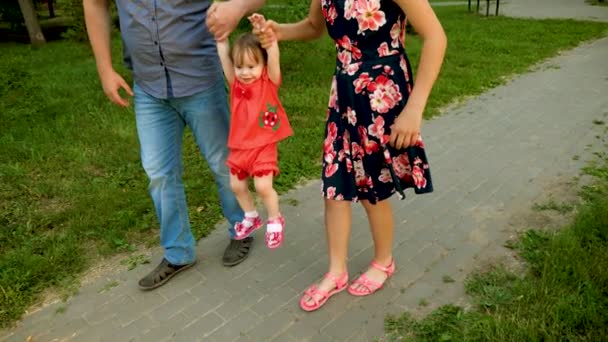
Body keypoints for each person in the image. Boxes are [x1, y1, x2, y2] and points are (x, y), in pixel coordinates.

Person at [254, 0, 446, 311]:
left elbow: (436, 36)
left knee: (373, 186)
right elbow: (315, 26)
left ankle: (384, 261)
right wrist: (280, 32)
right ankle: (336, 272)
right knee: (335, 182)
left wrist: (415, 108)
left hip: (383, 92)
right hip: (343, 94)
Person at [83, 0, 267, 290]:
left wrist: (238, 7)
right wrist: (104, 68)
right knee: (158, 173)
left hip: (201, 80)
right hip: (148, 86)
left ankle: (242, 228)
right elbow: (94, 3)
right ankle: (178, 252)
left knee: (224, 164)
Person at [216, 14, 293, 249]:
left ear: (263, 64)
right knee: (237, 186)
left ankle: (274, 218)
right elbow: (224, 60)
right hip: (239, 146)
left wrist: (266, 36)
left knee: (262, 187)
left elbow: (273, 55)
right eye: (240, 66)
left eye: (251, 66)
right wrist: (221, 38)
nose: (245, 72)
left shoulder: (269, 82)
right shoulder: (236, 85)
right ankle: (251, 216)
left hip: (263, 145)